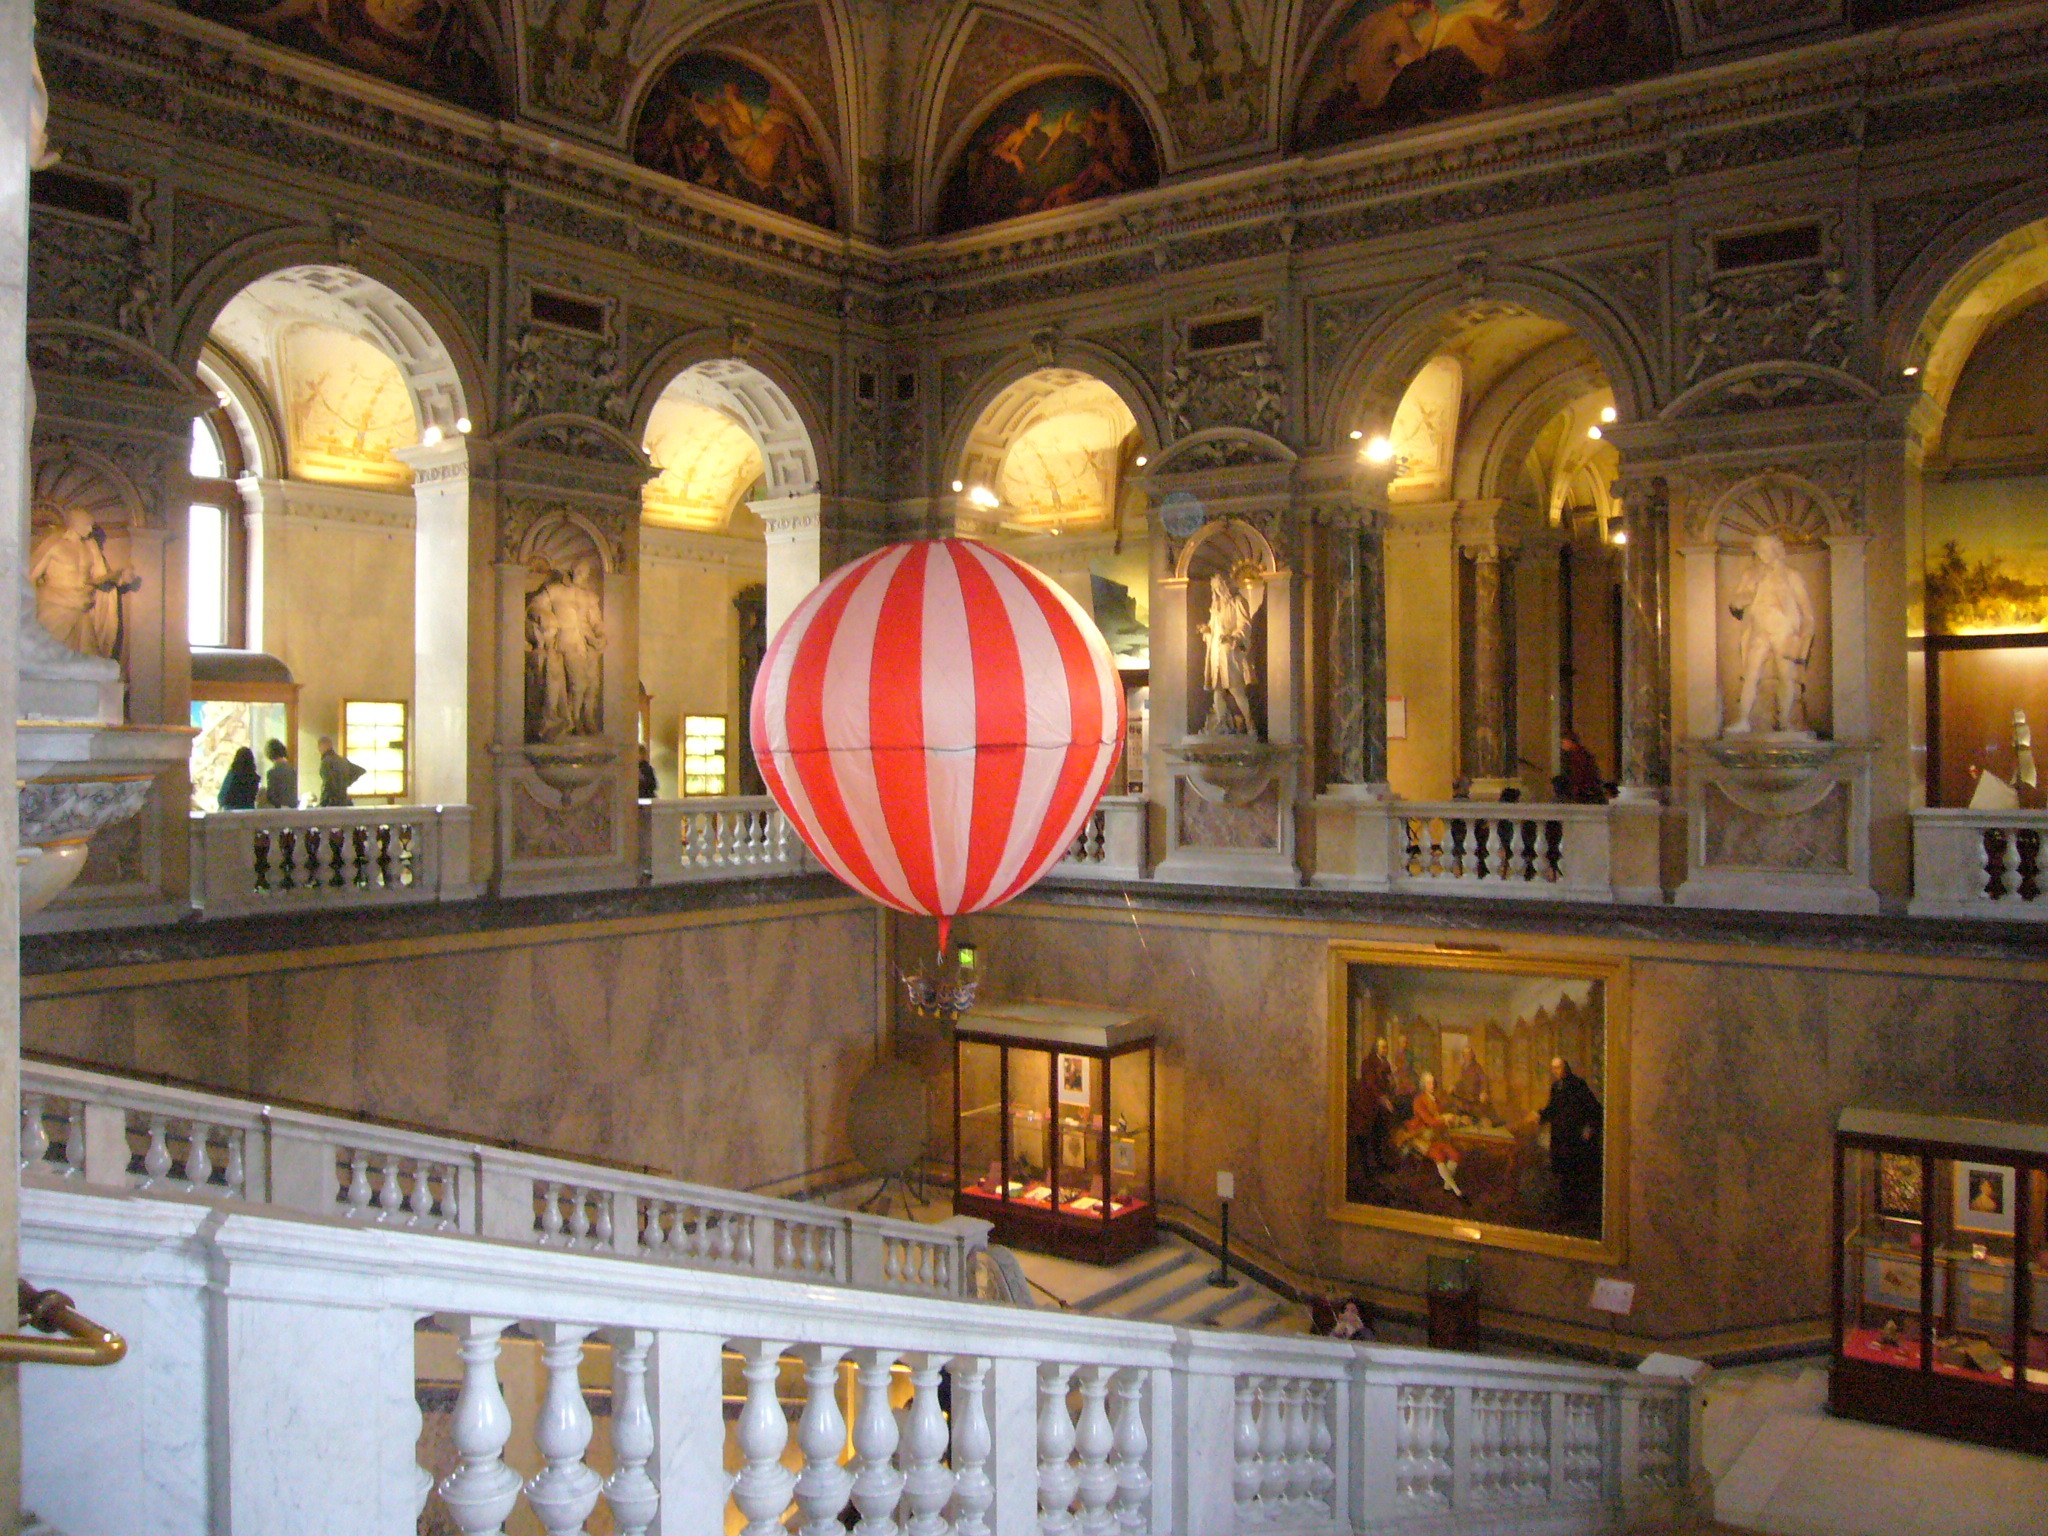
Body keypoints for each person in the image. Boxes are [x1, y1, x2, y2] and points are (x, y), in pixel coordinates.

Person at [1726, 533, 1815, 735]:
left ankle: (1785, 722)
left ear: (1776, 550)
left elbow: (1806, 610)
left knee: (1786, 676)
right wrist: (1750, 589)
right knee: (1750, 675)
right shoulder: (1751, 575)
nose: (1763, 554)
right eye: (1760, 550)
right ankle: (1743, 720)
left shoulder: (1791, 575)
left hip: (1783, 630)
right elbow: (1736, 603)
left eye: (1766, 549)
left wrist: (1805, 637)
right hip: (1758, 630)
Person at [29, 504, 140, 659]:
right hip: (54, 606)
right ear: (74, 524)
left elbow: (99, 578)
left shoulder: (90, 547)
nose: (90, 529)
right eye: (87, 525)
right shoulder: (54, 545)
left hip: (82, 606)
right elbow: (30, 576)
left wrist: (119, 576)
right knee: (50, 656)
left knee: (89, 658)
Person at [1538, 1056, 1602, 1223]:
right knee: (1560, 1175)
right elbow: (1552, 1109)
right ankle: (1562, 1210)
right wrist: (1539, 1115)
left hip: (1573, 1139)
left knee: (1572, 1176)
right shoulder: (1556, 1087)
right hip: (1559, 1138)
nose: (1555, 1071)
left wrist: (1590, 1128)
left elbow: (1594, 1109)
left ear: (1566, 1067)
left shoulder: (1578, 1085)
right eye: (1553, 1068)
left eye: (1558, 1067)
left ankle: (1574, 1214)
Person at [1198, 571, 1257, 737]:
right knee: (1217, 689)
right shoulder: (1215, 608)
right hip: (1216, 651)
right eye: (1215, 589)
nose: (1218, 592)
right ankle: (1222, 723)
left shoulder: (1238, 602)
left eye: (1220, 588)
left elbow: (1244, 624)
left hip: (1230, 652)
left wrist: (1233, 637)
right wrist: (1206, 630)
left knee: (1236, 688)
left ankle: (1250, 724)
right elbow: (1213, 627)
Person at [1395, 1070, 1465, 1200]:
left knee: (1456, 1156)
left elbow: (1442, 1117)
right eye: (1428, 1083)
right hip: (1422, 1136)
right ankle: (1456, 1190)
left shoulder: (1436, 1100)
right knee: (1439, 1156)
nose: (1432, 1085)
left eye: (1433, 1083)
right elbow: (1430, 1121)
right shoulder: (1418, 1100)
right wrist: (1444, 1118)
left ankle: (1447, 1186)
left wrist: (1453, 1119)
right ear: (1423, 1085)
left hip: (1436, 1136)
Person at [1349, 1037, 1401, 1177]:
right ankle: (1366, 1168)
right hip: (1367, 1103)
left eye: (1386, 1047)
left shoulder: (1386, 1063)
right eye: (1382, 1047)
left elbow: (1387, 1081)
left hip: (1379, 1105)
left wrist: (1392, 1085)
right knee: (1366, 1135)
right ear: (1376, 1048)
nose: (1385, 1050)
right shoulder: (1368, 1062)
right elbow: (1371, 1083)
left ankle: (1380, 1163)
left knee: (1379, 1134)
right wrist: (1383, 1098)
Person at [1553, 731, 1607, 803]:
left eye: (1563, 742)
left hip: (1584, 789)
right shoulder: (1578, 754)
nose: (1562, 746)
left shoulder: (1578, 756)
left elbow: (1579, 775)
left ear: (1570, 742)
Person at [316, 735, 366, 807]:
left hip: (332, 801)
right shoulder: (342, 760)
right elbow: (360, 770)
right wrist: (346, 782)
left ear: (323, 746)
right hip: (343, 799)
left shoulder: (326, 762)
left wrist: (322, 803)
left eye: (319, 747)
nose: (319, 750)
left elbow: (327, 783)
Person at [217, 746, 260, 811]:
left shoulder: (232, 775)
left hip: (231, 811)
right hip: (249, 812)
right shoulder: (254, 778)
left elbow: (222, 797)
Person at [262, 738, 299, 809]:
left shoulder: (272, 772)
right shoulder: (292, 770)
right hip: (293, 808)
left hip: (279, 810)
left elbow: (272, 796)